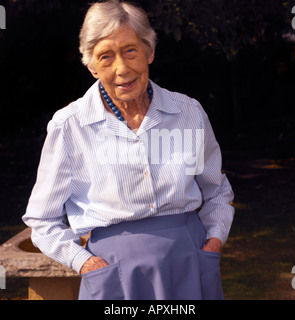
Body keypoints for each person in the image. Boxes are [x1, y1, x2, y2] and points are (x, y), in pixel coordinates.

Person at [22, 0, 234, 300]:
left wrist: (214, 240)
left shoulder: (188, 112)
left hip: (190, 261)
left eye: (130, 50)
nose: (122, 69)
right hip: (113, 273)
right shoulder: (69, 126)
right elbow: (42, 220)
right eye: (106, 57)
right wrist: (85, 262)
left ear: (150, 51)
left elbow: (216, 191)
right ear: (92, 66)